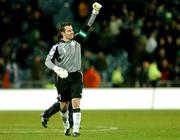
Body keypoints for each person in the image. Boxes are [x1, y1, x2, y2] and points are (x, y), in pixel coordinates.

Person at [41, 2, 102, 137]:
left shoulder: (77, 41)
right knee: (63, 106)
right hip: (62, 78)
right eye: (69, 30)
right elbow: (47, 61)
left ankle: (76, 130)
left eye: (72, 29)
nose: (72, 31)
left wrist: (94, 12)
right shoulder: (56, 47)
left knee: (76, 102)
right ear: (62, 33)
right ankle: (67, 127)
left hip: (76, 77)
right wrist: (56, 69)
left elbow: (87, 26)